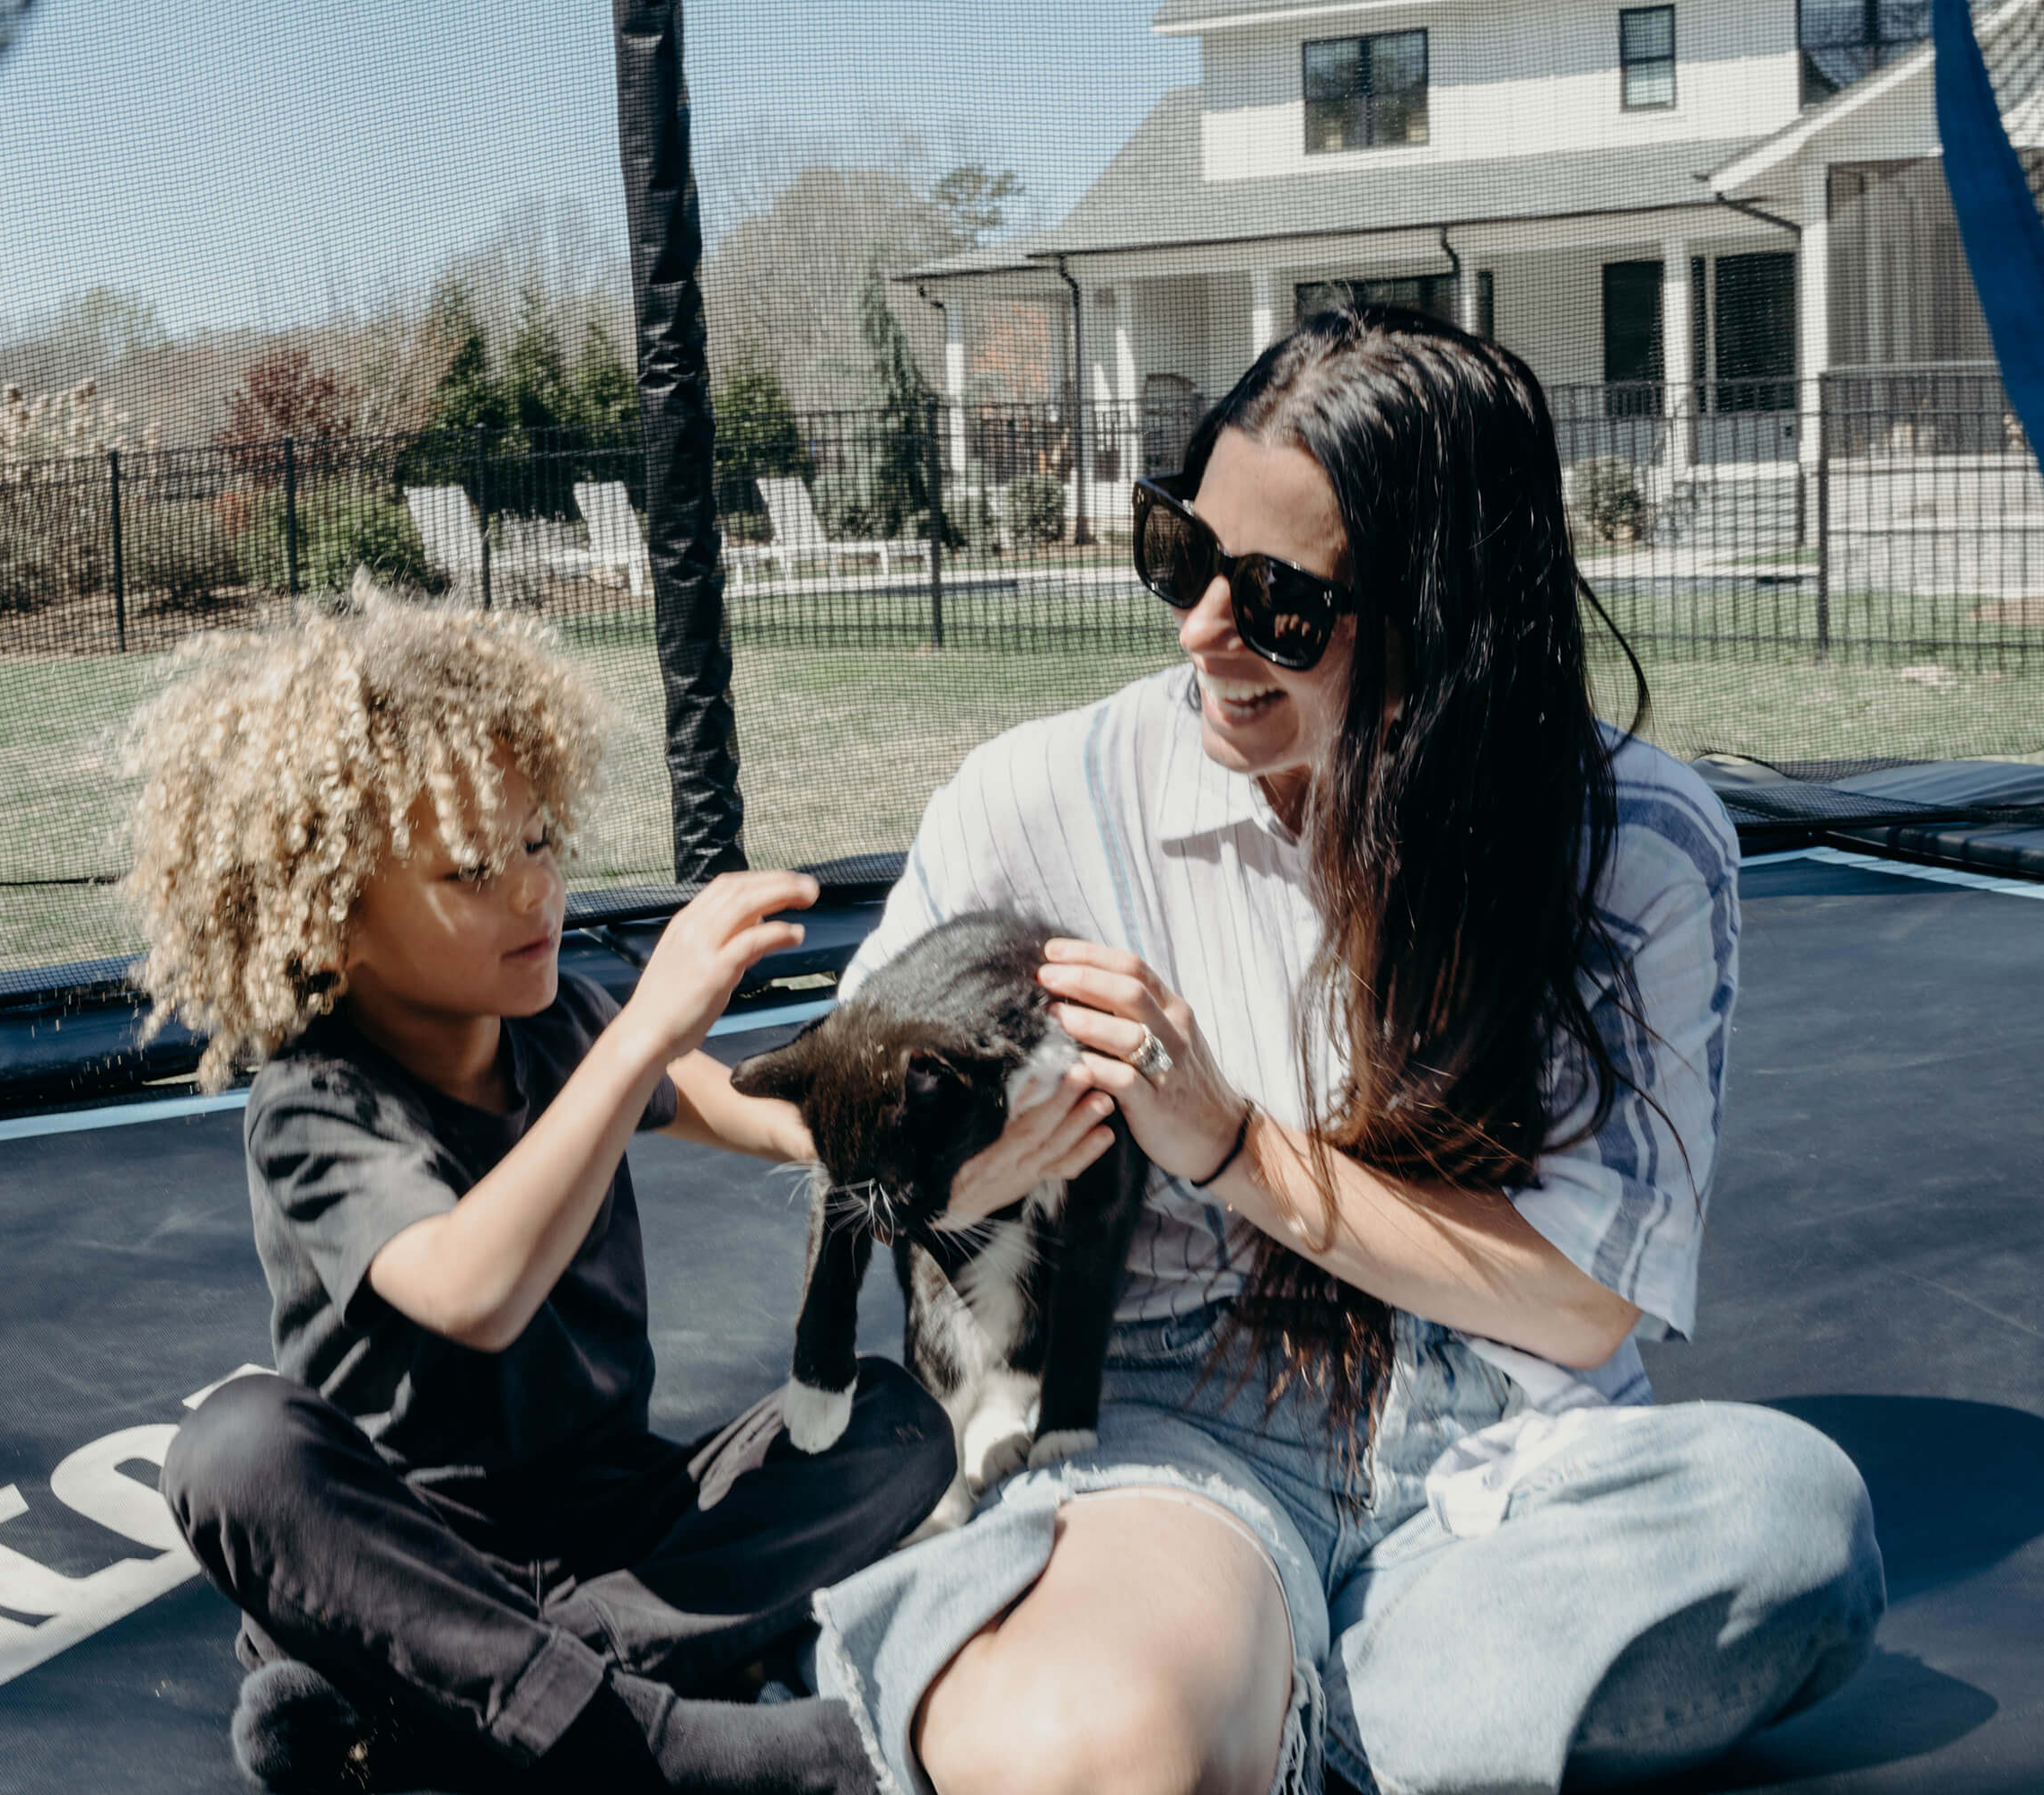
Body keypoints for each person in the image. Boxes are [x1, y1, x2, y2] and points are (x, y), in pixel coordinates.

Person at [810, 306, 1884, 1795]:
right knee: (1083, 1754)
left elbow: (1577, 1311)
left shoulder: (1633, 843)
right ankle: (1227, 1674)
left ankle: (1275, 1699)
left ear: (1445, 622)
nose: (1202, 630)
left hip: (1503, 1442)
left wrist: (1235, 1146)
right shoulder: (1039, 798)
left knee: (1794, 1528)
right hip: (1180, 1409)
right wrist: (956, 1157)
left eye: (1278, 602)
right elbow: (845, 1106)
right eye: (1180, 555)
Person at [127, 600, 954, 1795]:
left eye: (539, 842)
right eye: (472, 870)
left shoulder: (562, 1021)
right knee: (233, 1450)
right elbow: (475, 1290)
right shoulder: (318, 1103)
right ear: (331, 919)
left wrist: (924, 1114)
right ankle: (653, 1743)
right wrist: (641, 1040)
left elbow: (774, 1117)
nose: (535, 894)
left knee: (889, 1424)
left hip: (607, 1535)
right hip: (401, 1557)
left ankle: (442, 1709)